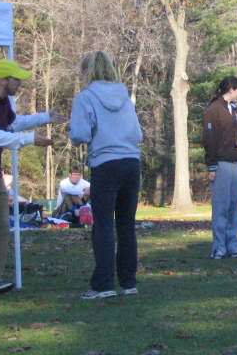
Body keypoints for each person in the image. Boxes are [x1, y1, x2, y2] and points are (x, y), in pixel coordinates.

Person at [0, 59, 67, 296]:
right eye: (16, 79)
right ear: (2, 80)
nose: (19, 83)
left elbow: (14, 124)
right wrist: (28, 140)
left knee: (1, 226)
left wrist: (45, 117)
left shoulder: (2, 102)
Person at [70, 51, 143, 299]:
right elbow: (138, 134)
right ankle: (129, 281)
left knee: (103, 224)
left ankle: (103, 284)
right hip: (131, 162)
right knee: (126, 225)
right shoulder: (125, 97)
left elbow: (79, 134)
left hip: (105, 163)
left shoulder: (85, 97)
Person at [203, 76, 237, 259]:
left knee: (233, 207)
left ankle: (233, 245)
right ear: (230, 89)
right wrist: (212, 166)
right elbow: (209, 139)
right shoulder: (213, 110)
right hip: (221, 164)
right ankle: (219, 247)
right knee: (221, 207)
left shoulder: (236, 110)